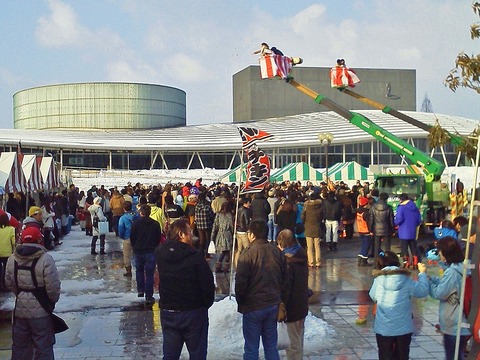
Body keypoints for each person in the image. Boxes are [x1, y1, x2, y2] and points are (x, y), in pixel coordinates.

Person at [155, 219, 215, 360]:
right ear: (182, 234)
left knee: (170, 354)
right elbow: (207, 284)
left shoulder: (161, 254)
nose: (192, 235)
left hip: (168, 310)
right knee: (197, 354)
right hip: (193, 311)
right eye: (189, 232)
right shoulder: (195, 257)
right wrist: (205, 304)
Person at [5, 224, 61, 360]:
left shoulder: (12, 259)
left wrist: (21, 294)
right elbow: (53, 288)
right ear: (39, 240)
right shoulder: (46, 259)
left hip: (20, 311)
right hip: (41, 311)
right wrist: (50, 301)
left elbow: (9, 283)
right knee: (43, 347)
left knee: (20, 347)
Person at [235, 220, 286, 360]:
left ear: (252, 235)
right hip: (272, 303)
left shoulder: (248, 254)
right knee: (271, 346)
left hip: (253, 306)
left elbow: (240, 283)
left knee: (251, 347)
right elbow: (284, 277)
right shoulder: (276, 251)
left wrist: (241, 301)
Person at [369, 251, 428, 360]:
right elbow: (422, 291)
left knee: (385, 355)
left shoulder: (378, 280)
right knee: (402, 355)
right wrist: (422, 274)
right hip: (403, 328)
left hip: (383, 328)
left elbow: (373, 295)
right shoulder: (406, 279)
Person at [428, 236, 471, 360]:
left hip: (454, 323)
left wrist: (427, 281)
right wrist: (433, 279)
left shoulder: (452, 272)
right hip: (463, 320)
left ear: (446, 252)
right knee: (458, 355)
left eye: (440, 250)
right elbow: (446, 284)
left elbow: (440, 293)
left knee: (453, 356)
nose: (439, 253)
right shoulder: (462, 267)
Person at [276, 229, 308, 360]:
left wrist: (282, 305)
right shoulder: (301, 254)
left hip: (292, 308)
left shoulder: (288, 262)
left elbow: (286, 287)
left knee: (292, 345)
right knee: (298, 340)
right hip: (301, 305)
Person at [130, 204, 161, 305]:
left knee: (139, 270)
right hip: (150, 250)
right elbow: (158, 237)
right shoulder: (155, 224)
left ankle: (140, 289)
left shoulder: (135, 223)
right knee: (149, 274)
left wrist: (134, 246)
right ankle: (149, 295)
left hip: (138, 250)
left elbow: (132, 237)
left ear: (141, 213)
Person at [395, 193, 422, 269]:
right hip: (412, 230)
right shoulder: (414, 207)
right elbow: (419, 219)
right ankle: (415, 263)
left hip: (404, 231)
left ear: (401, 199)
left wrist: (394, 223)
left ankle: (406, 263)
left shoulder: (401, 208)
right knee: (413, 247)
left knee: (404, 248)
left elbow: (399, 219)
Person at [367, 192, 395, 267]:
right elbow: (391, 221)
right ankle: (388, 262)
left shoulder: (373, 207)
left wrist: (370, 230)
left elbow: (371, 220)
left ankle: (377, 263)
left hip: (376, 229)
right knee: (387, 248)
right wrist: (393, 230)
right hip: (386, 229)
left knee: (376, 247)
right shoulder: (389, 207)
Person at [301, 192, 323, 268]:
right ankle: (318, 262)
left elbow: (302, 217)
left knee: (309, 247)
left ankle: (310, 262)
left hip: (308, 227)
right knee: (317, 246)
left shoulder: (306, 206)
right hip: (317, 226)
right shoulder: (319, 206)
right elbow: (322, 216)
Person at [210, 201, 233, 273]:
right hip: (227, 234)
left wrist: (212, 236)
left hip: (220, 234)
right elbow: (231, 226)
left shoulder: (218, 214)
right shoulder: (230, 215)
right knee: (227, 251)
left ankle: (218, 266)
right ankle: (226, 267)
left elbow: (215, 226)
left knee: (222, 250)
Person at [118, 201, 138, 277]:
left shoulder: (122, 218)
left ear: (124, 208)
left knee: (127, 255)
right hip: (137, 238)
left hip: (127, 237)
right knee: (138, 253)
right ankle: (139, 268)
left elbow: (121, 229)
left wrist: (122, 236)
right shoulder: (137, 215)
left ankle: (128, 271)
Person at [0, 213, 15, 291]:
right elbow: (13, 242)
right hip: (7, 253)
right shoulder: (11, 229)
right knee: (6, 270)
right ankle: (5, 286)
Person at [235, 197, 251, 266]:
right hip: (244, 232)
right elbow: (247, 222)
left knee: (239, 249)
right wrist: (249, 231)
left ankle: (236, 264)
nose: (249, 204)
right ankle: (247, 264)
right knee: (247, 249)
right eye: (248, 203)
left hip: (238, 231)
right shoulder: (246, 211)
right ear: (246, 203)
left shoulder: (239, 209)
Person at [356, 196, 372, 266]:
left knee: (363, 245)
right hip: (366, 231)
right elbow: (369, 223)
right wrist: (371, 231)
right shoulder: (366, 213)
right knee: (366, 246)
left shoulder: (358, 211)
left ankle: (360, 259)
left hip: (360, 230)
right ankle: (363, 261)